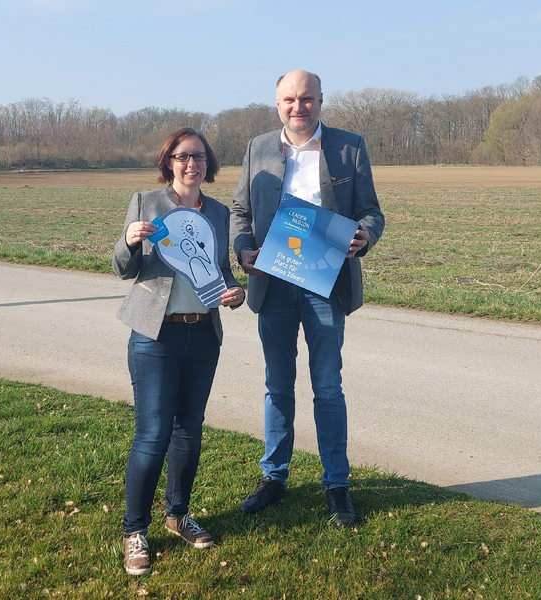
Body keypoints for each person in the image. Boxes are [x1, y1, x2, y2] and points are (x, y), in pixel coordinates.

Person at [230, 70, 384, 527]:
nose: (298, 107)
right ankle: (274, 477)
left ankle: (336, 484)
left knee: (327, 386)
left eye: (307, 99)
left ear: (321, 100)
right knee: (277, 386)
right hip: (274, 284)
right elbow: (240, 210)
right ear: (278, 103)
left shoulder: (349, 146)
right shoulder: (258, 147)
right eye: (289, 100)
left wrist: (365, 235)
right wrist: (242, 248)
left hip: (326, 284)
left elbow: (371, 211)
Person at [113, 127, 245, 575]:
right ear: (168, 161)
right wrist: (130, 241)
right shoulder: (146, 202)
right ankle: (134, 530)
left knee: (189, 430)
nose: (192, 164)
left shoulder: (219, 213)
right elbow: (122, 269)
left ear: (209, 164)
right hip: (155, 337)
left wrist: (236, 293)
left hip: (203, 336)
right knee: (153, 435)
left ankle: (178, 515)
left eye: (200, 156)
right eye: (183, 156)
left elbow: (221, 271)